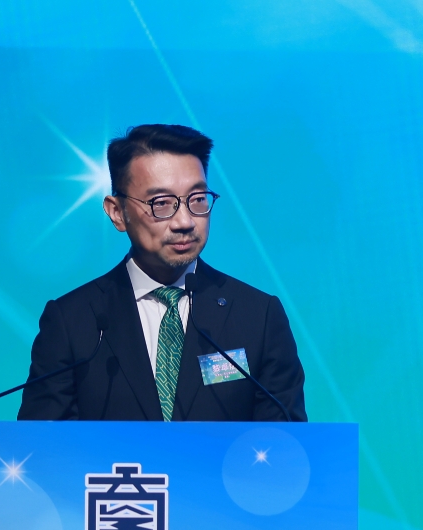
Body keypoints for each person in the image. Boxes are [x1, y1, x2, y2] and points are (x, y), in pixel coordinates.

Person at [17, 124, 306, 421]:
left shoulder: (258, 316)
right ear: (117, 212)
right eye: (161, 203)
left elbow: (285, 441)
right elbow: (42, 444)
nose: (185, 222)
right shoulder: (71, 321)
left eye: (198, 199)